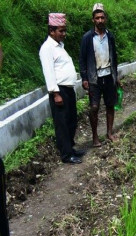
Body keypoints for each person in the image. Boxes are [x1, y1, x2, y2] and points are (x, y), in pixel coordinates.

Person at [39, 13, 84, 164]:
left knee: (71, 120)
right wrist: (55, 93)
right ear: (51, 31)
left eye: (65, 30)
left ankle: (71, 148)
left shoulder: (59, 46)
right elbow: (49, 72)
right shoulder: (47, 48)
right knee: (62, 123)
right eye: (61, 31)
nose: (64, 34)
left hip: (68, 90)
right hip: (59, 91)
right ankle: (66, 155)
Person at [79, 3, 121, 148]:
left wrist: (117, 76)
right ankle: (95, 136)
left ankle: (109, 133)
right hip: (94, 78)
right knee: (94, 107)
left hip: (109, 76)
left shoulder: (110, 36)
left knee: (110, 105)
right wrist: (84, 78)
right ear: (93, 20)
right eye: (97, 18)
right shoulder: (87, 38)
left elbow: (114, 57)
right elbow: (82, 59)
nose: (100, 20)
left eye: (102, 17)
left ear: (105, 19)